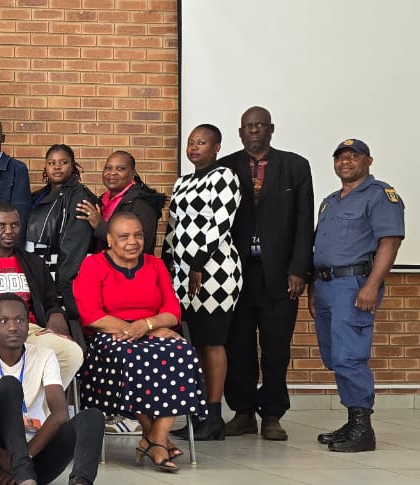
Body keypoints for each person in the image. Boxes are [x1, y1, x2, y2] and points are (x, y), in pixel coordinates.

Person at [74, 213, 204, 473]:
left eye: (138, 235)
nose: (132, 241)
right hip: (110, 338)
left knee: (182, 352)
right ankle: (156, 440)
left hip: (151, 332)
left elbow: (172, 312)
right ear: (109, 240)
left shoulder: (155, 265)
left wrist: (147, 326)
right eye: (124, 236)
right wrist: (140, 330)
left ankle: (155, 438)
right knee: (134, 358)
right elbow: (91, 315)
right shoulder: (94, 265)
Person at [0, 294, 106, 485]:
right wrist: (3, 458)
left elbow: (59, 414)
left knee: (93, 416)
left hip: (36, 454)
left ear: (29, 324)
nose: (13, 327)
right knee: (8, 386)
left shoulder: (44, 355)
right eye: (3, 321)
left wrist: (23, 459)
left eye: (20, 320)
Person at [217, 107, 314, 441]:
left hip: (280, 274)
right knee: (238, 346)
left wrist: (299, 269)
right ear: (240, 131)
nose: (254, 131)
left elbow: (304, 222)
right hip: (234, 275)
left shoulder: (295, 166)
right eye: (248, 126)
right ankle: (243, 413)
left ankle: (272, 414)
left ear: (270, 129)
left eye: (259, 125)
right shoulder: (225, 167)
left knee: (276, 348)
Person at [309, 139, 404, 453]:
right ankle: (352, 421)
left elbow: (389, 242)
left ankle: (363, 428)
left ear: (369, 161)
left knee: (350, 356)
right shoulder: (330, 201)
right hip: (326, 286)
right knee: (335, 356)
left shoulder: (379, 196)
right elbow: (319, 249)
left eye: (353, 156)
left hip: (354, 286)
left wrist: (371, 285)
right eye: (340, 157)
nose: (345, 162)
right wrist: (313, 288)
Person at [163, 124, 242, 441]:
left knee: (212, 341)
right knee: (193, 343)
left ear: (217, 147)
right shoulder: (182, 182)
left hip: (215, 272)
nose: (194, 147)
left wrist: (197, 264)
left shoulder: (224, 177)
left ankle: (214, 417)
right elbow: (174, 227)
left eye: (202, 142)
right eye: (191, 142)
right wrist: (168, 265)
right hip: (183, 274)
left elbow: (220, 224)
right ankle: (197, 414)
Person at [0, 204, 83, 384]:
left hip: (31, 330)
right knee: (6, 359)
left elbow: (51, 302)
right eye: (1, 226)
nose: (9, 231)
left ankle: (38, 406)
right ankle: (16, 407)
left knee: (71, 352)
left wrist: (56, 314)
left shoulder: (34, 262)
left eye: (15, 225)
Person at [25, 144, 96, 314]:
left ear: (73, 166)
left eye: (63, 162)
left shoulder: (80, 197)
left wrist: (63, 286)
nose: (57, 167)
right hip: (36, 268)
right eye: (51, 163)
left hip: (58, 274)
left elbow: (74, 248)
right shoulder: (39, 194)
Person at [75, 150, 166, 255]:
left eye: (120, 169)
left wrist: (100, 225)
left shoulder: (142, 203)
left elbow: (142, 245)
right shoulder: (101, 201)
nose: (112, 173)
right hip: (102, 267)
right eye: (108, 168)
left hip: (130, 270)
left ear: (133, 174)